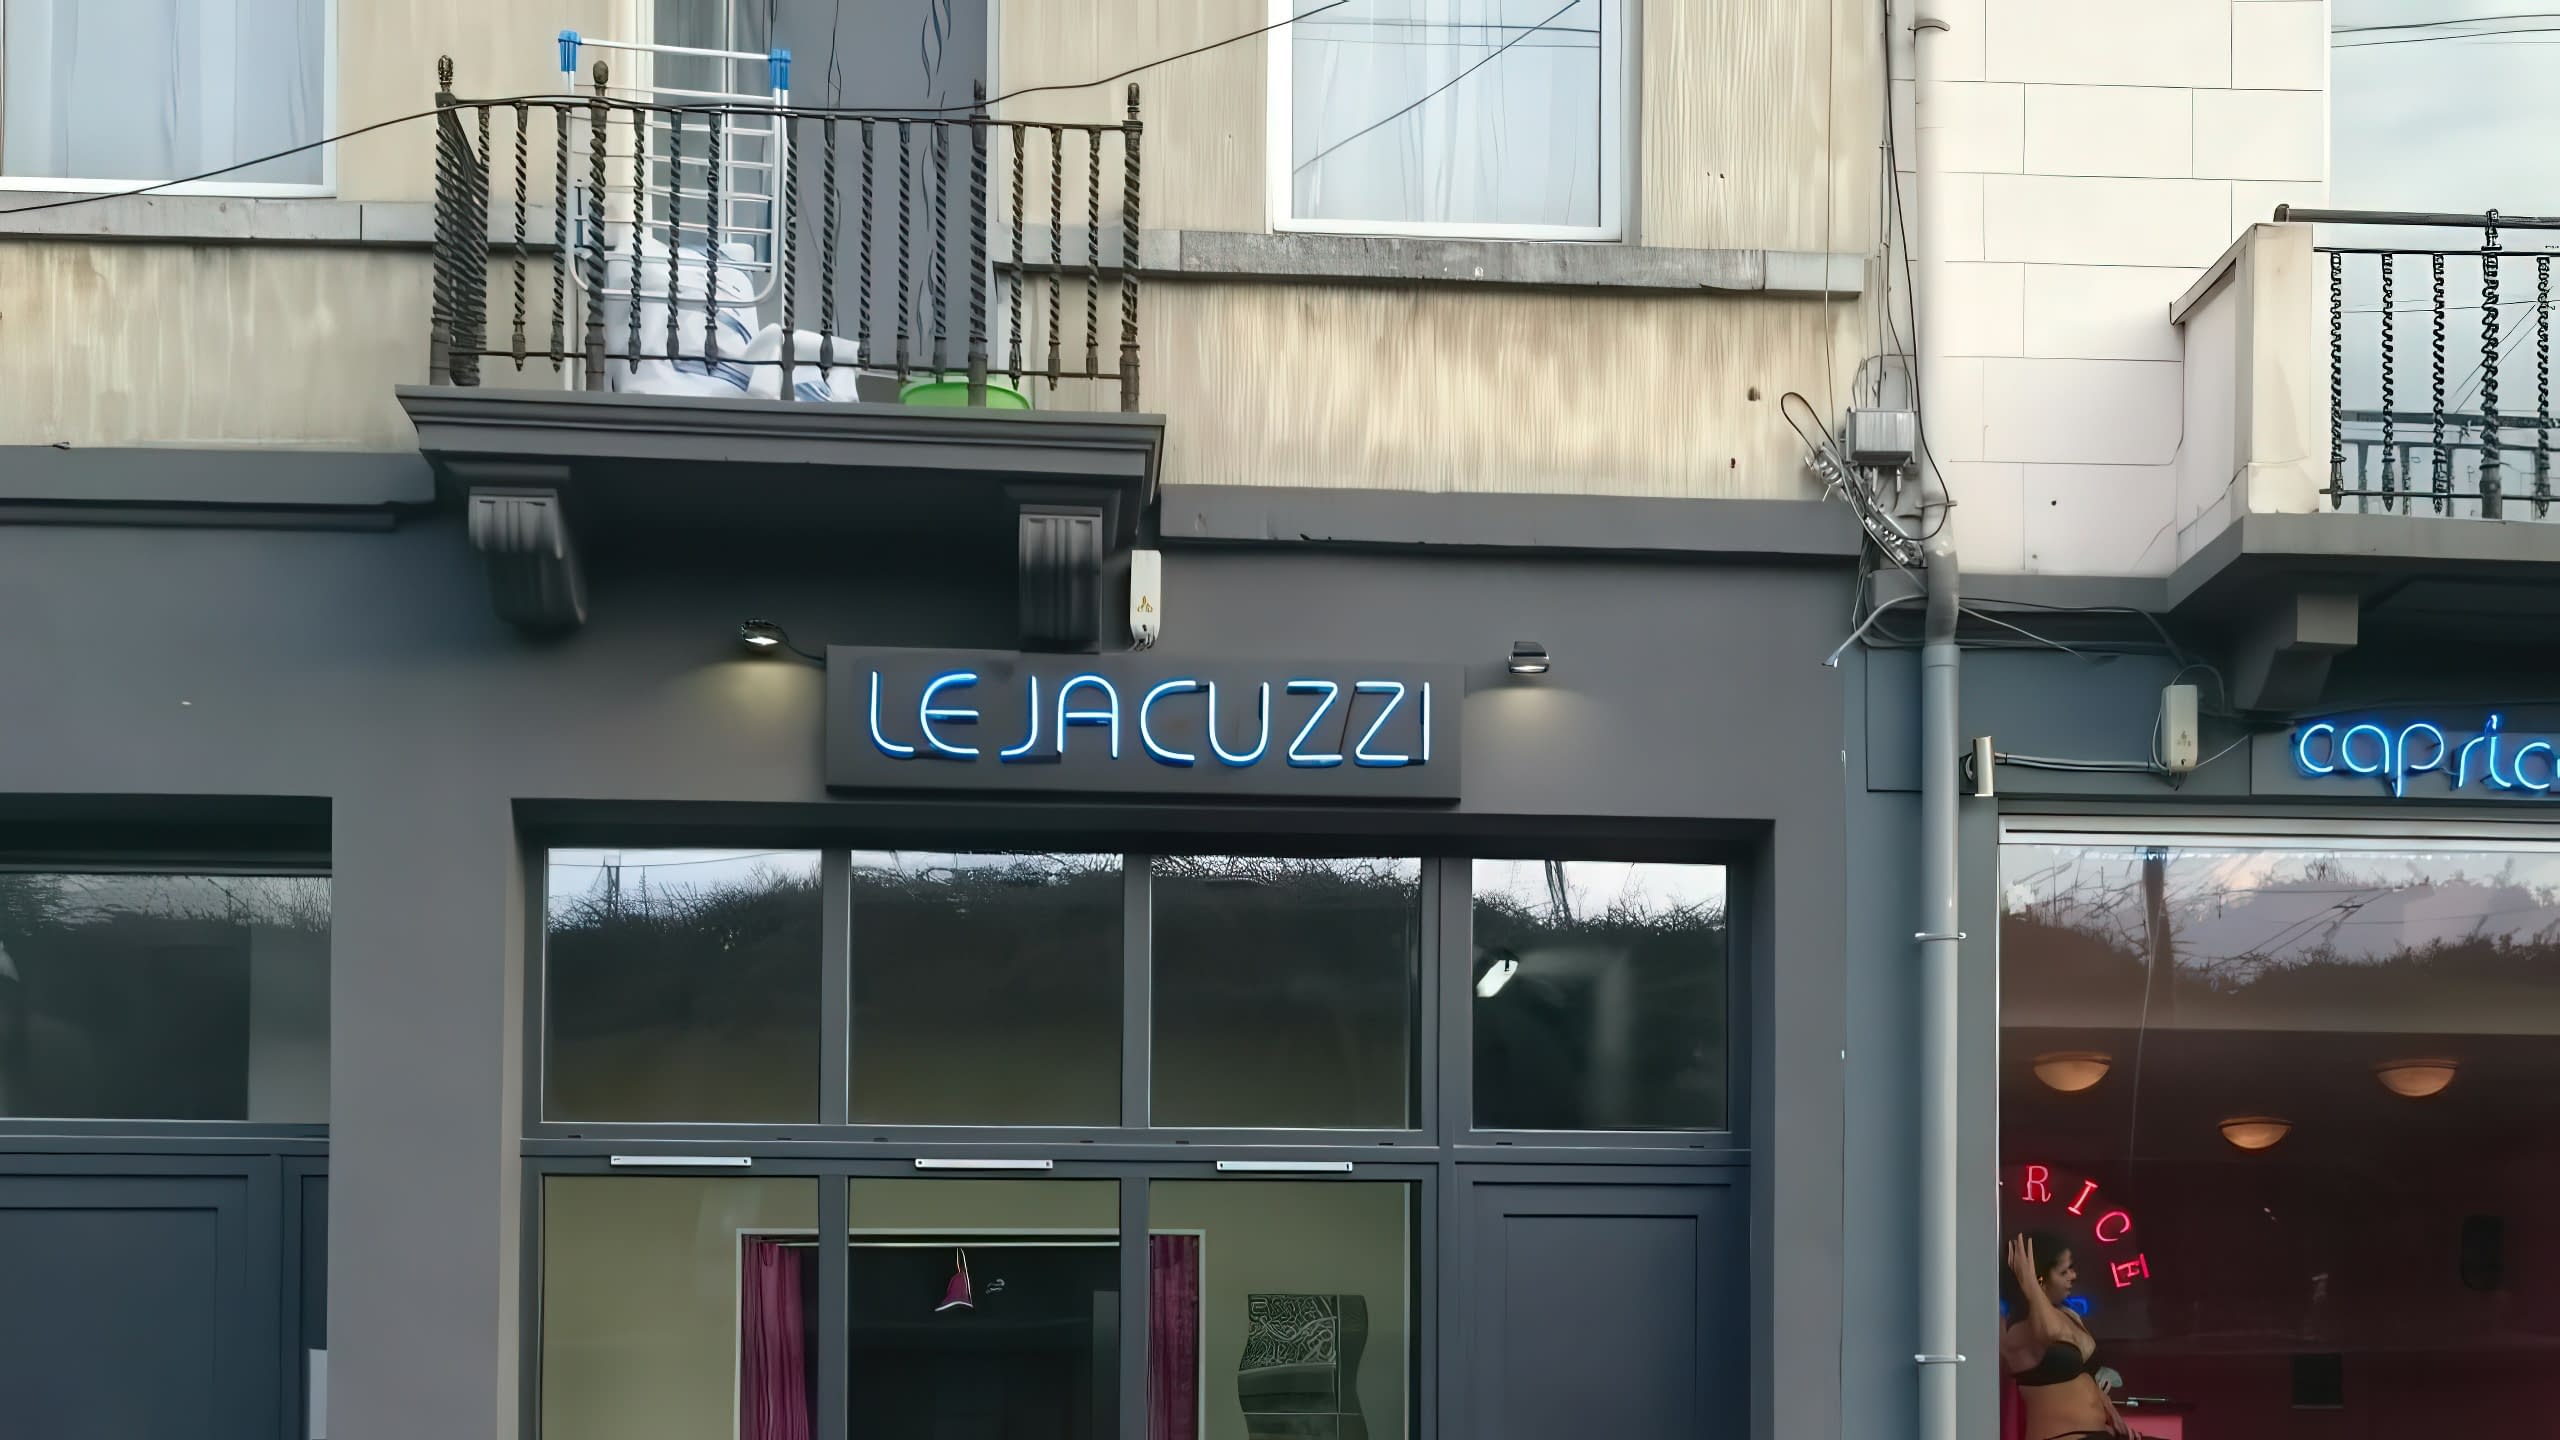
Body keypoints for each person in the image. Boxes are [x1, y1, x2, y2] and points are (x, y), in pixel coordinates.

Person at [2001, 1232, 2133, 1440]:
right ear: (2038, 1278)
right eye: (2064, 1272)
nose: (2073, 1276)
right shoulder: (2018, 1328)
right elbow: (2053, 1334)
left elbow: (2086, 1375)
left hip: (2100, 1435)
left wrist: (2110, 1410)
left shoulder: (2069, 1315)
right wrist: (2030, 1283)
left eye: (2071, 1268)